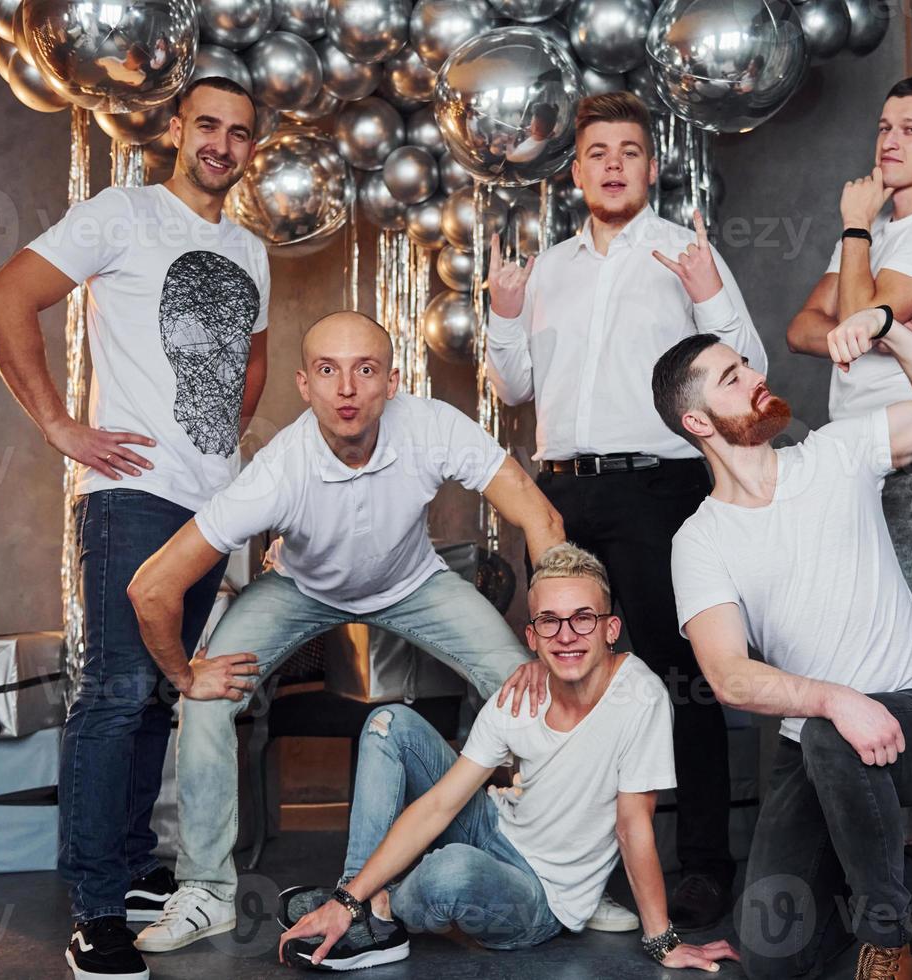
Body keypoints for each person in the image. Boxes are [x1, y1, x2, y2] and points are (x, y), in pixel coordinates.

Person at [125, 312, 565, 955]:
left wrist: (551, 633)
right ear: (305, 385)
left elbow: (540, 516)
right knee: (205, 701)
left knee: (538, 687)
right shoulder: (279, 470)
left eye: (365, 369)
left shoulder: (432, 425)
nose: (347, 389)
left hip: (414, 583)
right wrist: (184, 675)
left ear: (391, 381)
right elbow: (151, 586)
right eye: (328, 371)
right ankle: (207, 893)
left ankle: (560, 870)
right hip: (300, 589)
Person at [0, 76, 269, 980]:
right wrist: (62, 428)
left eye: (239, 133)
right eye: (207, 125)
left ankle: (135, 864)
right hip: (132, 498)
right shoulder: (121, 212)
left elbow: (252, 363)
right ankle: (96, 909)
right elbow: (3, 299)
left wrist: (220, 447)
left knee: (158, 699)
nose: (221, 143)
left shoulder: (252, 249)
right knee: (114, 691)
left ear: (252, 149)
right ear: (177, 129)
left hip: (214, 508)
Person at [653, 307, 912, 980]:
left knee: (825, 731)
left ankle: (888, 944)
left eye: (748, 363)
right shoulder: (700, 541)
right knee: (770, 955)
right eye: (731, 377)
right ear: (697, 422)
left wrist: (886, 325)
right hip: (816, 742)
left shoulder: (837, 454)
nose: (756, 377)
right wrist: (836, 699)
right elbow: (728, 675)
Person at [482, 90, 764, 932]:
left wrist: (710, 296)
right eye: (597, 151)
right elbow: (514, 388)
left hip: (659, 488)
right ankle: (575, 865)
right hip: (560, 495)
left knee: (684, 679)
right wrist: (503, 317)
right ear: (575, 171)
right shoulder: (548, 269)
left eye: (629, 151)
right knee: (572, 679)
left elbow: (744, 369)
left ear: (652, 165)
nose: (612, 164)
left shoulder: (686, 253)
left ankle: (705, 863)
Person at [276, 543, 739, 974]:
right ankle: (353, 902)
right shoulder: (521, 695)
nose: (567, 636)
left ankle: (379, 906)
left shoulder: (642, 697)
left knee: (450, 869)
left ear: (609, 629)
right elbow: (440, 804)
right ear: (532, 635)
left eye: (583, 618)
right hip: (496, 829)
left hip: (541, 899)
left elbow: (632, 825)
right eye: (550, 622)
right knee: (390, 723)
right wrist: (347, 897)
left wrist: (663, 941)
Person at [786, 75, 912, 943]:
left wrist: (859, 248)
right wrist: (858, 304)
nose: (888, 140)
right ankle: (896, 863)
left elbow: (856, 321)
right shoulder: (879, 233)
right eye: (882, 124)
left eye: (911, 128)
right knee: (863, 667)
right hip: (851, 471)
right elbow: (808, 329)